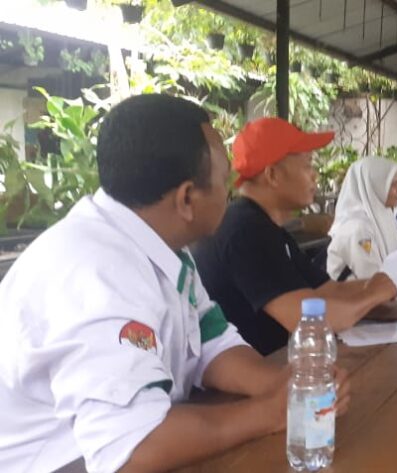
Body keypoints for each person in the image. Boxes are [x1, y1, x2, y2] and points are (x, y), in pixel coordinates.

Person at [0, 95, 351, 472]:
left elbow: (210, 341)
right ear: (186, 199)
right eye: (223, 181)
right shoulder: (97, 272)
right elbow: (132, 446)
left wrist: (287, 386)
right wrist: (270, 413)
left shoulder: (159, 244)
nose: (231, 192)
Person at [192, 118, 397, 356]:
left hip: (277, 365)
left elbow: (328, 291)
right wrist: (373, 294)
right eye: (308, 164)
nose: (315, 175)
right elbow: (309, 320)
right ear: (272, 175)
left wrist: (382, 285)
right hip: (250, 374)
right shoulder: (245, 230)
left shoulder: (269, 228)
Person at [326, 156, 397, 280]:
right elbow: (371, 277)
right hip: (357, 291)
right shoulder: (356, 228)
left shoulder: (384, 216)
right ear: (374, 186)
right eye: (393, 184)